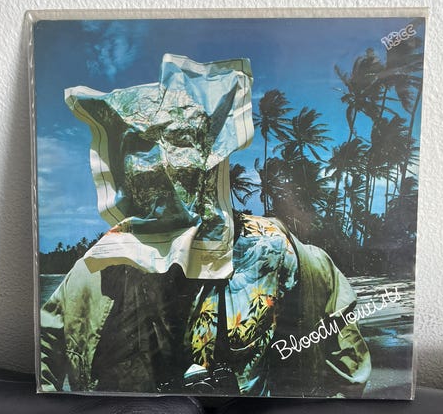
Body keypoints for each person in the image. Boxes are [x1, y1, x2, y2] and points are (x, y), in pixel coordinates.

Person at [39, 54, 370, 397]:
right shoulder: (95, 272)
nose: (161, 163)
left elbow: (346, 372)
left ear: (212, 154)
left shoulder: (276, 252)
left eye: (179, 141)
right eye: (142, 145)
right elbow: (44, 367)